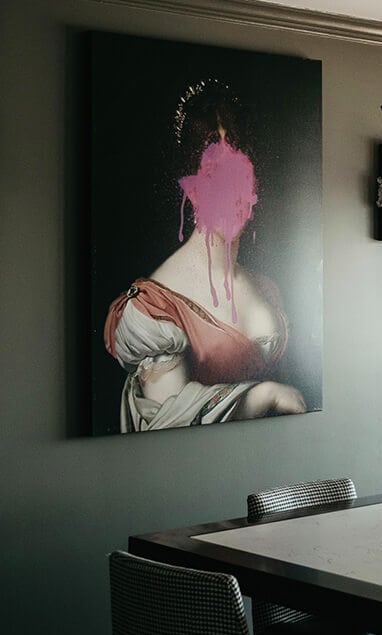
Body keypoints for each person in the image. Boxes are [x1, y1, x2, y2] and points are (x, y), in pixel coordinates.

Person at [103, 78, 306, 431]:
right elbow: (167, 421)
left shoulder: (267, 287)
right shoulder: (153, 307)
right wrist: (262, 396)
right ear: (191, 189)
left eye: (241, 179)